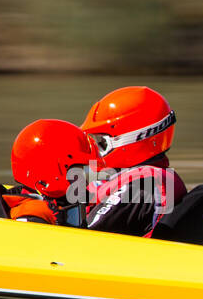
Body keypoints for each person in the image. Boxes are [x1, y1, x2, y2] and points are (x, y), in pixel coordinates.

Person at [80, 86, 187, 236]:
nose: (96, 152)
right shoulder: (131, 180)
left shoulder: (139, 188)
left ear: (134, 139)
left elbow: (86, 237)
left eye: (101, 143)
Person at [6, 119, 103, 224]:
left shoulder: (59, 204)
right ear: (52, 171)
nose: (85, 183)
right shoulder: (34, 216)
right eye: (78, 173)